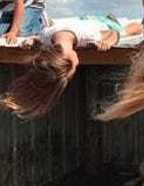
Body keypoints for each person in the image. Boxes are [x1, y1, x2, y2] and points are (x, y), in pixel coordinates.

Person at [0, 16, 136, 119]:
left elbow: (113, 33)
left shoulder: (88, 36)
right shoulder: (47, 38)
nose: (76, 65)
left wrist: (108, 41)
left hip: (104, 22)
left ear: (71, 59)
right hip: (81, 20)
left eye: (74, 67)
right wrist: (32, 40)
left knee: (128, 30)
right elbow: (40, 39)